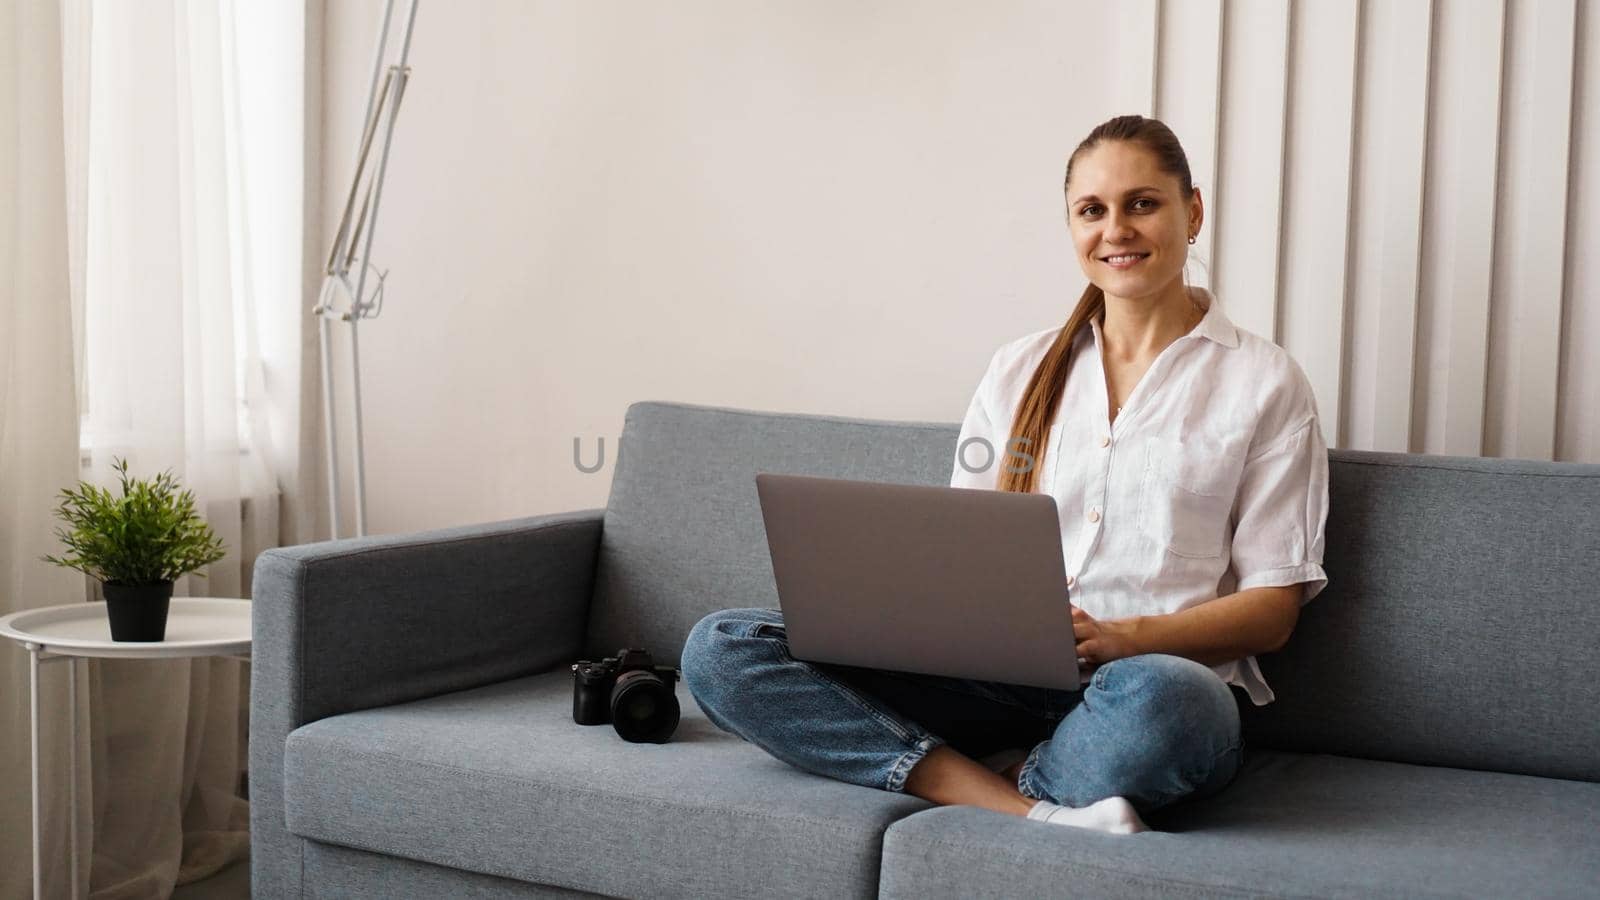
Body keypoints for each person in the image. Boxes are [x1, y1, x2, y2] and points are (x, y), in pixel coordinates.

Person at [679, 114, 1330, 835]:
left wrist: (1127, 637)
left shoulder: (1264, 383)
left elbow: (1272, 610)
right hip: (995, 680)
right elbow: (964, 553)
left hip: (1143, 687)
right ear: (1072, 226)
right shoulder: (1019, 370)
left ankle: (998, 770)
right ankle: (1019, 804)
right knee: (722, 647)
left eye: (1142, 203)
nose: (1116, 229)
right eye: (1092, 210)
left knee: (1174, 705)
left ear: (1193, 211)